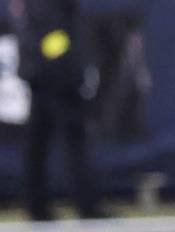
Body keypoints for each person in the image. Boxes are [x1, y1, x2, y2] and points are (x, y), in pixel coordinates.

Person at [11, 0, 106, 220]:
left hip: (42, 72)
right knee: (71, 139)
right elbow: (52, 32)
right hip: (54, 76)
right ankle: (85, 206)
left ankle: (38, 207)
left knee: (39, 142)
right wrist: (67, 69)